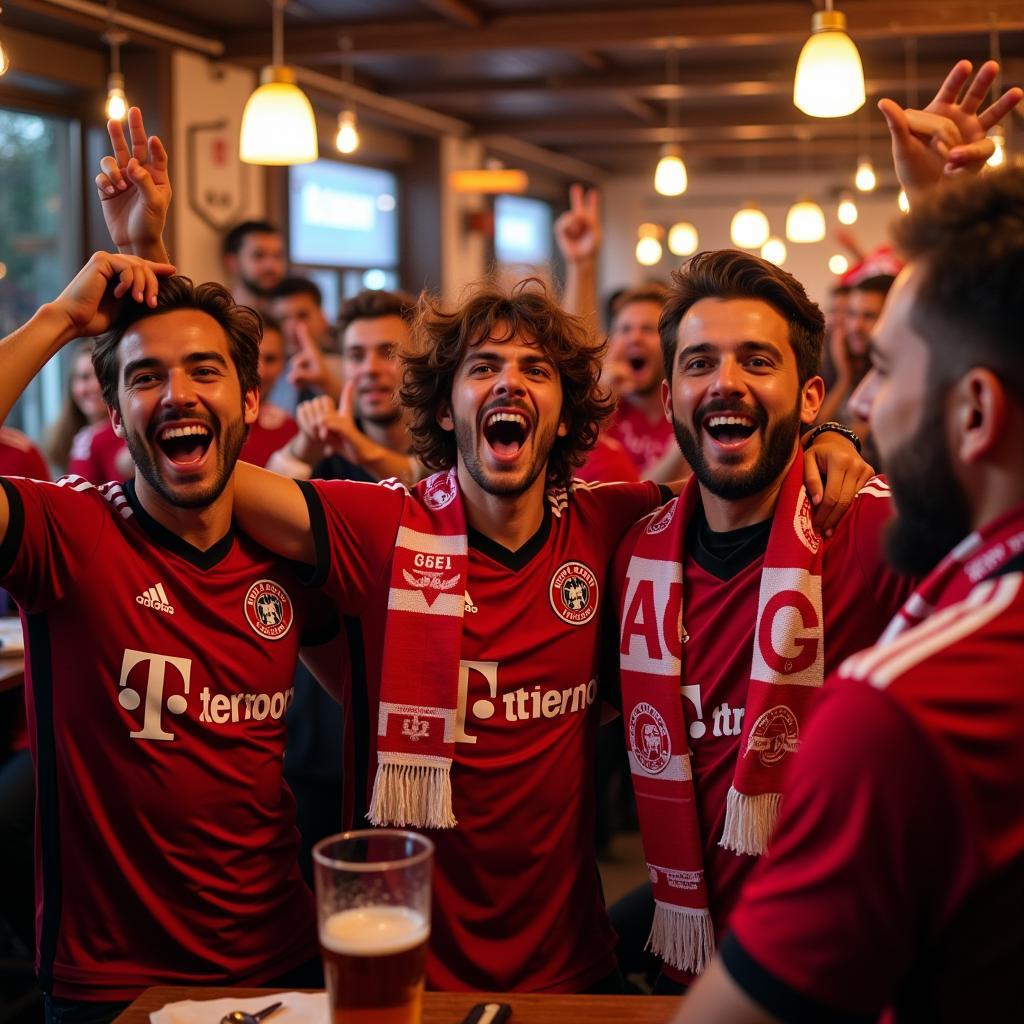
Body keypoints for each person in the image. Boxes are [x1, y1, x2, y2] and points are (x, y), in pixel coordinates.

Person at [98, 108, 869, 996]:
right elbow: (195, 444)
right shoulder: (377, 527)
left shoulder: (616, 521)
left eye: (536, 371)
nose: (509, 382)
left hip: (572, 967)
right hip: (406, 970)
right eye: (483, 368)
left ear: (566, 413)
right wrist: (151, 254)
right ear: (445, 406)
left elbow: (735, 467)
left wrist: (827, 437)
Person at [675, 61, 1024, 1024]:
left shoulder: (898, 708)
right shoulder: (641, 537)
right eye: (696, 363)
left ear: (976, 410)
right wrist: (940, 209)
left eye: (883, 369)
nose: (865, 406)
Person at [0, 250, 342, 1023]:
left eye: (203, 371)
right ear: (114, 414)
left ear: (251, 400)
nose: (177, 393)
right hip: (113, 983)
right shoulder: (72, 532)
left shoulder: (286, 551)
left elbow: (367, 696)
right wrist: (59, 318)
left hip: (280, 961)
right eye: (146, 377)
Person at [611, 245, 917, 992]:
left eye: (756, 361)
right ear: (673, 391)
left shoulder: (875, 532)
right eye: (698, 363)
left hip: (844, 972)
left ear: (812, 398)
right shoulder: (632, 553)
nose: (725, 383)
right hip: (687, 954)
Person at [267, 277, 343, 411]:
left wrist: (326, 383)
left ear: (323, 318)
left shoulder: (346, 367)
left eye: (302, 316)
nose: (292, 327)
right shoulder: (265, 372)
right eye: (283, 318)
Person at [238, 314, 298, 468]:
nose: (260, 372)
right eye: (250, 357)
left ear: (283, 364)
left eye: (270, 359)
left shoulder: (290, 431)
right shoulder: (202, 425)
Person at [222, 219, 286, 313]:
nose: (271, 266)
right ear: (232, 262)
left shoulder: (288, 318)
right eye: (259, 255)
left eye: (277, 256)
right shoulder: (214, 317)